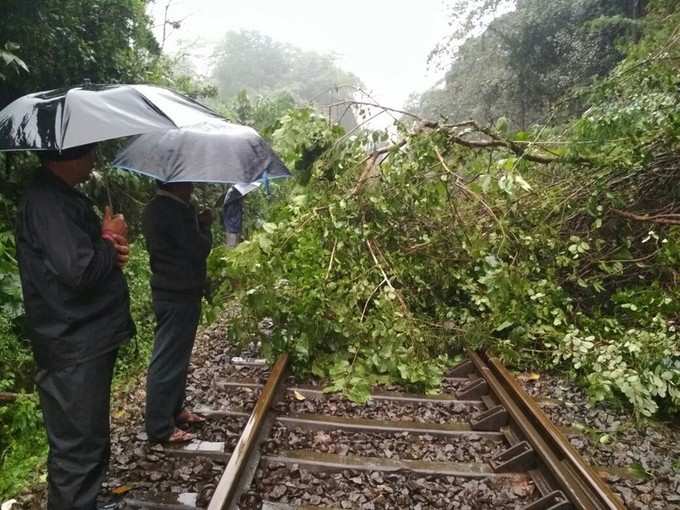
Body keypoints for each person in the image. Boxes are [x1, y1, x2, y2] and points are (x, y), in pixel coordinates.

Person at [15, 143, 134, 510]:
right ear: (71, 156)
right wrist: (108, 238)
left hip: (83, 340)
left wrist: (107, 248)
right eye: (90, 152)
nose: (94, 159)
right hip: (73, 344)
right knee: (77, 450)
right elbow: (79, 271)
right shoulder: (48, 203)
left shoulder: (59, 197)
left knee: (87, 440)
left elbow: (83, 260)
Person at [142, 181, 213, 443]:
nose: (193, 185)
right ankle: (160, 426)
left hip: (177, 292)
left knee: (177, 357)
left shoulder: (165, 208)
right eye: (188, 180)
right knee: (168, 359)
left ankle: (174, 409)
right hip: (175, 294)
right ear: (175, 182)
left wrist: (195, 219)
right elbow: (198, 248)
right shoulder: (169, 210)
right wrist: (204, 225)